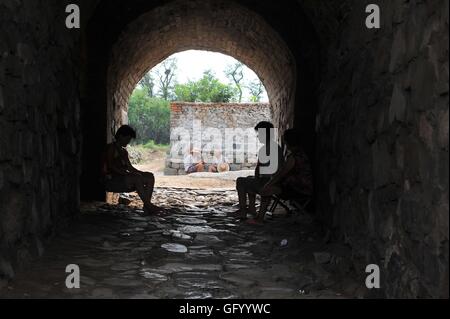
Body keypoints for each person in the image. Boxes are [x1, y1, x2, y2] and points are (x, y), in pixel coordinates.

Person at [249, 129, 313, 224]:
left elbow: (281, 174)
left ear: (287, 142)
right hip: (297, 186)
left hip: (299, 189)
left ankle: (259, 219)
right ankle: (259, 216)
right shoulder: (300, 154)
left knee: (267, 190)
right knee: (269, 186)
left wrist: (268, 184)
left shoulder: (293, 157)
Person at [102, 125, 164, 215]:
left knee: (150, 176)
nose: (128, 141)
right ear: (120, 136)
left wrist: (142, 173)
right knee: (136, 178)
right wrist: (124, 173)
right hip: (112, 180)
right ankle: (149, 206)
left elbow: (130, 168)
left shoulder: (124, 152)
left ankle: (147, 206)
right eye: (127, 139)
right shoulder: (112, 148)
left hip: (123, 178)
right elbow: (110, 166)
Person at [233, 122, 284, 220]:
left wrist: (260, 181)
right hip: (271, 180)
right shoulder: (273, 147)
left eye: (259, 133)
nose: (258, 136)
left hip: (270, 181)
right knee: (248, 179)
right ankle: (251, 208)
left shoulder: (268, 149)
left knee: (240, 181)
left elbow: (263, 170)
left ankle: (243, 211)